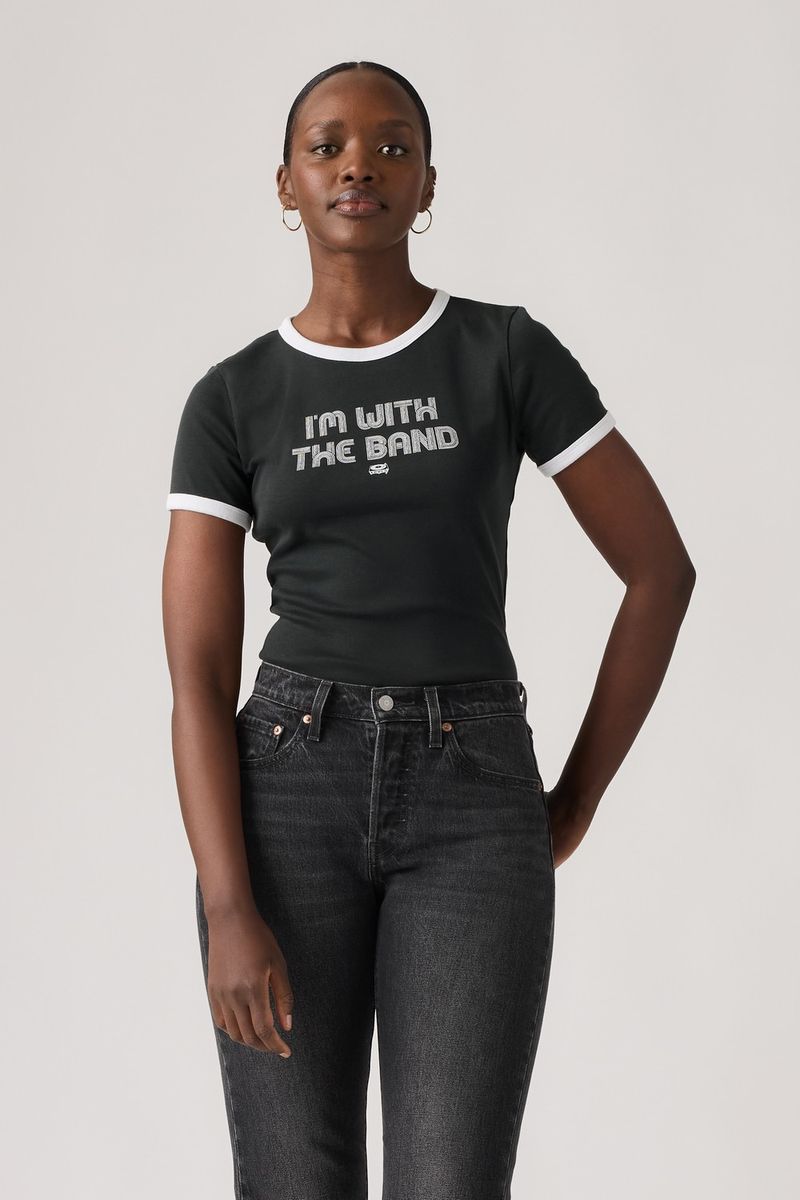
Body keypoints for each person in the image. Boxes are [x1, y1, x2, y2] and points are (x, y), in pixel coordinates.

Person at [162, 59, 696, 1200]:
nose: (359, 164)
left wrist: (574, 799)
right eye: (327, 146)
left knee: (450, 1182)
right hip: (286, 798)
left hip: (472, 790)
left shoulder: (502, 352)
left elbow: (659, 572)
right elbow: (198, 676)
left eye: (392, 145)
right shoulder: (233, 397)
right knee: (293, 1182)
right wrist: (227, 901)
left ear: (428, 183)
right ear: (286, 183)